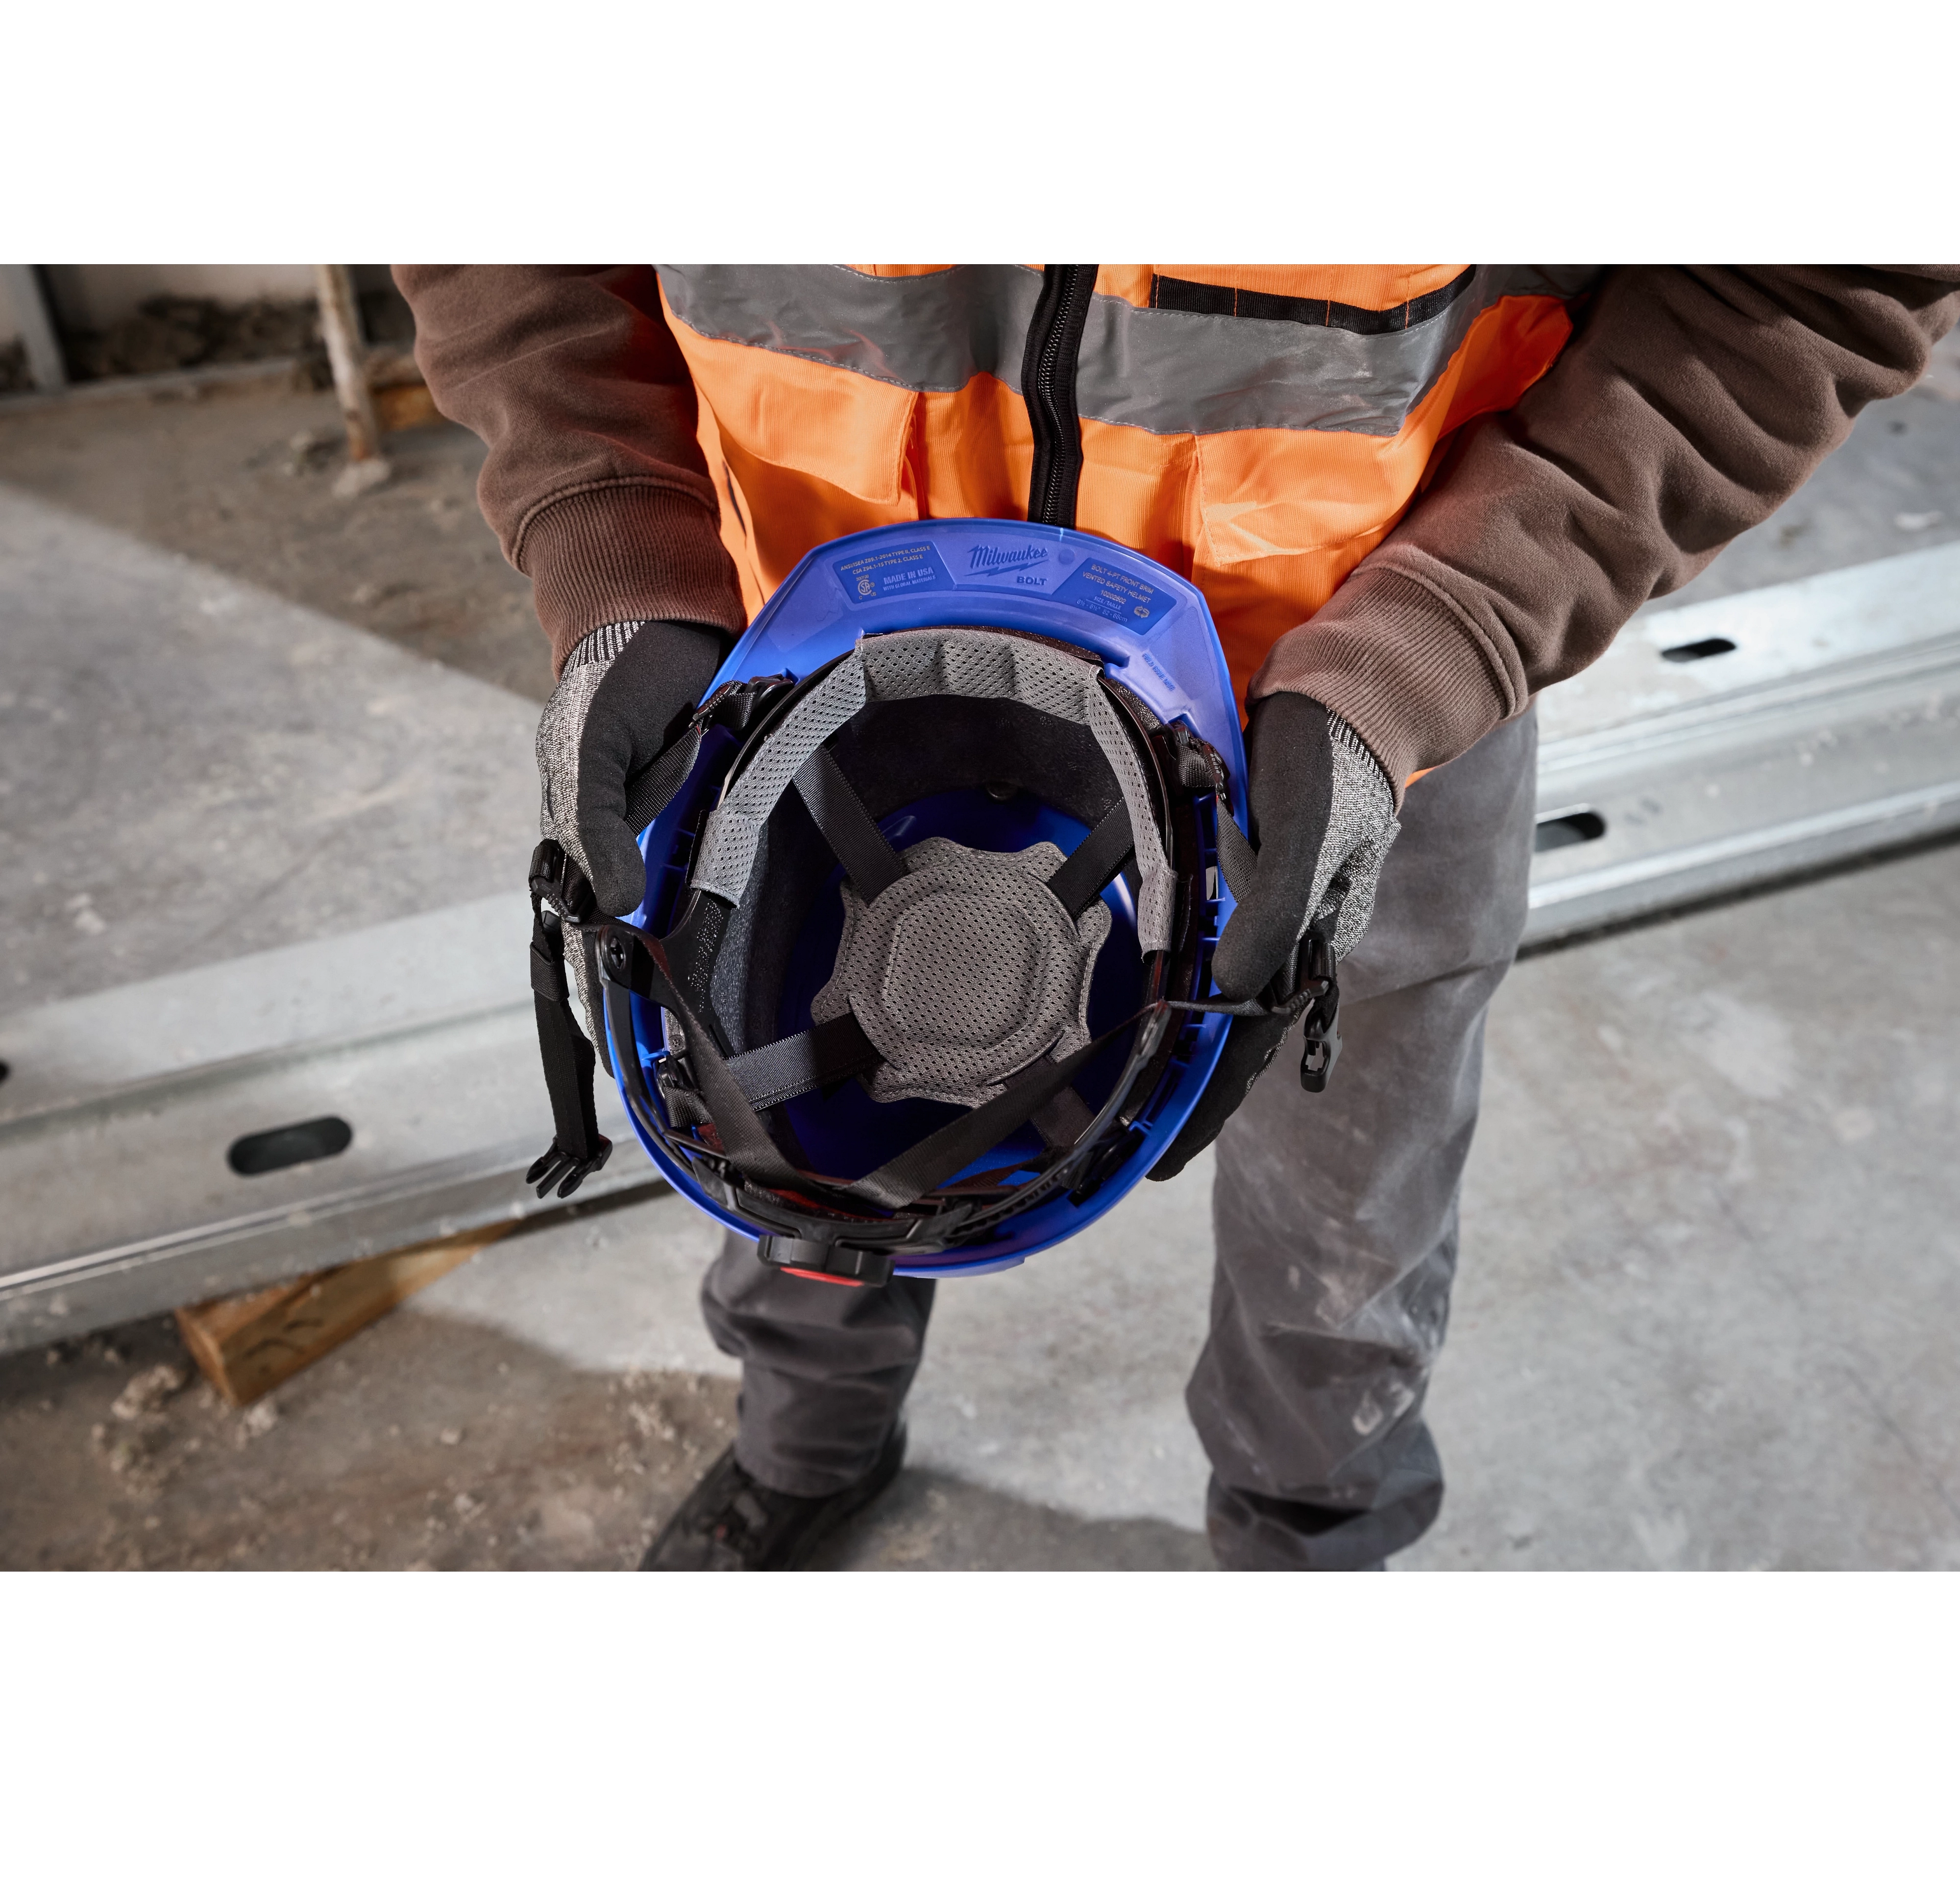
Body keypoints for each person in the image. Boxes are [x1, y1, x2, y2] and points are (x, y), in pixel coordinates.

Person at [398, 263, 1958, 1572]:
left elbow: (1801, 285)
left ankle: (1304, 1537)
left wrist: (1452, 629)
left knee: (1345, 1234)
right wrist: (611, 531)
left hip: (1345, 712)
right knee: (785, 1136)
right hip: (804, 691)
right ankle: (807, 1447)